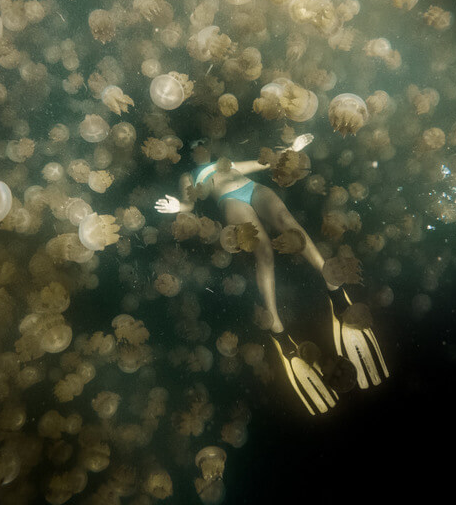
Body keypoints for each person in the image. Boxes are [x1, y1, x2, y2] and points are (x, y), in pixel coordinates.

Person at [155, 134, 387, 414]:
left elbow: (264, 164)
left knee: (288, 221)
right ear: (189, 155)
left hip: (252, 188)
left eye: (199, 143)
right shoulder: (189, 177)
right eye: (192, 146)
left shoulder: (225, 163)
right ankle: (277, 327)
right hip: (229, 200)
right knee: (263, 250)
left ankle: (331, 281)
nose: (197, 147)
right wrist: (177, 207)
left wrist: (293, 150)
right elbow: (189, 204)